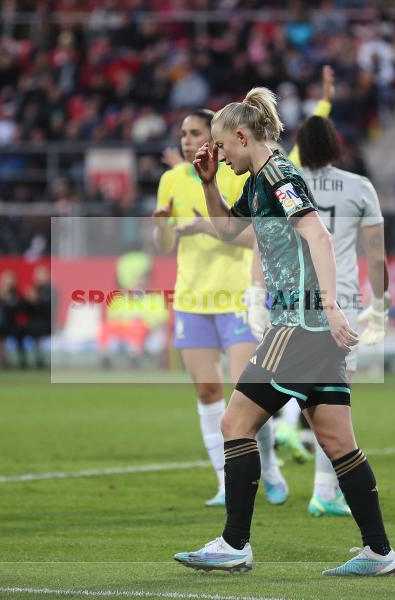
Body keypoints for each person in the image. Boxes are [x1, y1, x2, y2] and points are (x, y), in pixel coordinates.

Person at [174, 88, 395, 576]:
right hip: (310, 325)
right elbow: (230, 233)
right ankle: (379, 552)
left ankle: (235, 544)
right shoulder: (255, 181)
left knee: (235, 424)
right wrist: (210, 184)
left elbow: (317, 233)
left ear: (240, 135)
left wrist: (331, 307)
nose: (218, 155)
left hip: (301, 322)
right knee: (337, 440)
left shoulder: (277, 173)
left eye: (221, 147)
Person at [248, 114, 389, 518]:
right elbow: (377, 253)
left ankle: (277, 454)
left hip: (292, 299)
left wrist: (256, 293)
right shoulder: (358, 187)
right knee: (336, 400)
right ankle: (325, 490)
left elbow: (264, 241)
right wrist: (381, 305)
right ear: (336, 145)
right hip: (338, 301)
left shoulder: (281, 180)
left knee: (269, 388)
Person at [152, 108, 288, 507]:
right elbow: (163, 246)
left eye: (196, 133)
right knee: (207, 391)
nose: (187, 140)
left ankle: (271, 468)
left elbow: (255, 239)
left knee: (243, 392)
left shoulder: (233, 172)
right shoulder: (171, 180)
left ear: (215, 138)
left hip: (236, 296)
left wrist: (203, 226)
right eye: (183, 133)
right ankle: (225, 481)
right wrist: (161, 225)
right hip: (192, 299)